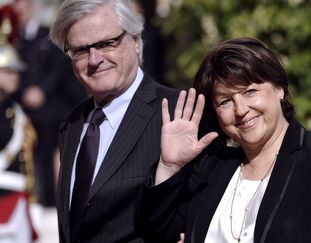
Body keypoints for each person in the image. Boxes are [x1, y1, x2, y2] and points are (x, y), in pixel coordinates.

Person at [136, 37, 311, 243]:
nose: (241, 110)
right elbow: (155, 232)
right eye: (225, 101)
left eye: (250, 91)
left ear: (279, 88)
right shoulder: (210, 168)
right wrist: (169, 166)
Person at [49, 0, 181, 242]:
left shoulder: (176, 113)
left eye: (106, 44)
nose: (94, 59)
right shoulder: (72, 124)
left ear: (136, 40)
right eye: (80, 50)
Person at [12, 0, 87, 207]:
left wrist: (41, 90)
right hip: (23, 109)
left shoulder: (47, 35)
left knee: (49, 155)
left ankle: (50, 201)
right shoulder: (14, 38)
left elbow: (58, 68)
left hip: (48, 110)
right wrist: (24, 91)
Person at [0, 4, 38, 242]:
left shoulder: (15, 112)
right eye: (8, 71)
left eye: (16, 71)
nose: (15, 75)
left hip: (15, 200)